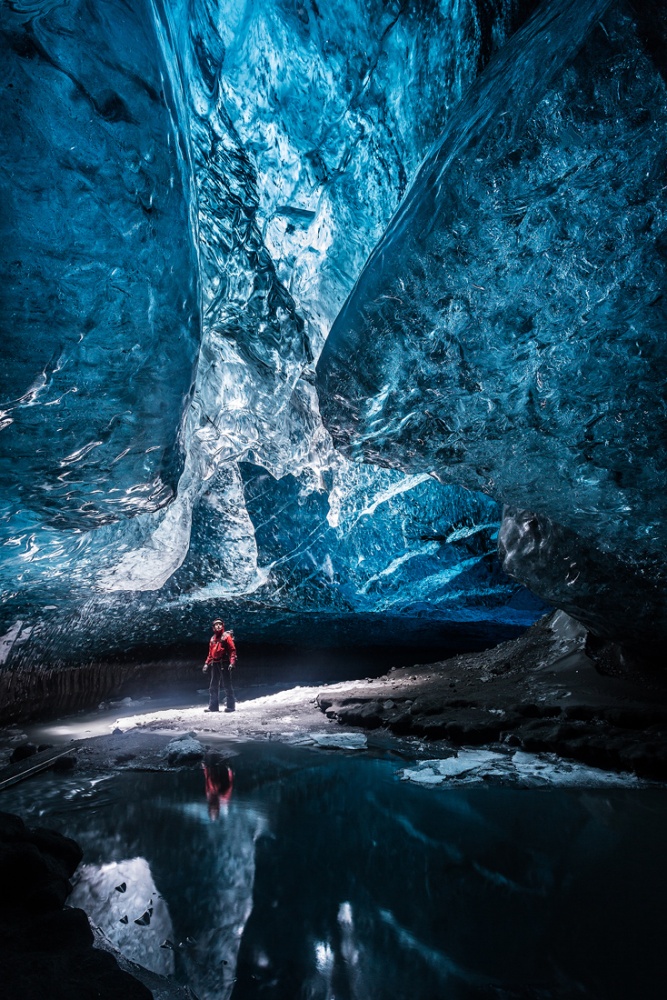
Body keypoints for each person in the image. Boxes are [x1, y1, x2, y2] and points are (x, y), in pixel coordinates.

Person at [203, 618, 237, 712]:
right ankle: (213, 707)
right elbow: (210, 653)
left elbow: (232, 650)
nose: (218, 626)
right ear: (213, 627)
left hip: (224, 663)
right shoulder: (213, 638)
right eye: (216, 625)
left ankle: (231, 706)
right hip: (215, 663)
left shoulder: (226, 637)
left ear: (222, 626)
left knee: (227, 685)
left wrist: (232, 662)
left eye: (220, 624)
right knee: (213, 686)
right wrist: (206, 663)